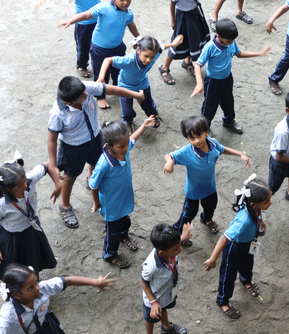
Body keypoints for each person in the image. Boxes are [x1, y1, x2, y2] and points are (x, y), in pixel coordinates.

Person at [47, 76, 145, 229]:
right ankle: (64, 205)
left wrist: (135, 95)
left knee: (96, 163)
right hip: (73, 147)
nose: (87, 95)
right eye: (82, 96)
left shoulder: (83, 88)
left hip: (95, 138)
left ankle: (91, 180)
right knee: (70, 176)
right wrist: (53, 165)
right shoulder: (58, 113)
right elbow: (52, 139)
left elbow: (112, 89)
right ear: (69, 102)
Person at [35, 0, 147, 78]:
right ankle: (81, 65)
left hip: (98, 19)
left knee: (96, 43)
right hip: (84, 23)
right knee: (83, 46)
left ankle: (98, 62)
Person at [163, 116, 252, 243]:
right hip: (193, 191)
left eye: (199, 136)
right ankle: (178, 233)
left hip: (210, 187)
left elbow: (223, 149)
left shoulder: (213, 143)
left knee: (211, 206)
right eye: (192, 138)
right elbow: (170, 156)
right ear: (187, 139)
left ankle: (207, 219)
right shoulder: (187, 152)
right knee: (188, 214)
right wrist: (169, 162)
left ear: (206, 132)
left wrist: (240, 154)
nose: (196, 141)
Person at [57, 0, 141, 109]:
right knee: (101, 73)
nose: (125, 2)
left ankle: (118, 88)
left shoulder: (128, 12)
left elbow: (131, 25)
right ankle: (100, 96)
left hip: (118, 47)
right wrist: (70, 21)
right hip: (100, 49)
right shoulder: (103, 8)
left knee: (118, 70)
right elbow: (86, 15)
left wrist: (139, 38)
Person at [203, 175, 272, 320]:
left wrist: (260, 222)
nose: (270, 203)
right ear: (253, 203)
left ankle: (246, 279)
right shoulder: (243, 220)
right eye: (266, 202)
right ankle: (223, 300)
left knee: (248, 263)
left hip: (248, 243)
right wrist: (213, 259)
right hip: (233, 247)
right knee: (228, 274)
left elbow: (258, 212)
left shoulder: (253, 206)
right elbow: (224, 238)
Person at [159, 0, 232, 85]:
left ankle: (187, 62)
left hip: (195, 13)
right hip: (183, 17)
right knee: (177, 42)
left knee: (193, 39)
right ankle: (164, 68)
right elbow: (172, 4)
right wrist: (173, 20)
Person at [90, 118, 155, 268]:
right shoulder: (103, 165)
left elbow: (132, 139)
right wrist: (96, 203)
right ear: (109, 145)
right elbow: (93, 185)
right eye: (122, 146)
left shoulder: (122, 149)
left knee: (125, 222)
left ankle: (124, 236)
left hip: (124, 198)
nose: (126, 147)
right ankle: (110, 255)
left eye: (126, 144)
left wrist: (144, 125)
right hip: (112, 206)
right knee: (112, 232)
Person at [191, 19, 271, 134]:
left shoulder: (231, 42)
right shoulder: (210, 47)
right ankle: (205, 127)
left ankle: (228, 121)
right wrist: (199, 83)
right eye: (229, 40)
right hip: (213, 82)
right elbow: (198, 64)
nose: (231, 42)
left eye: (233, 40)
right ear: (218, 35)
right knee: (209, 106)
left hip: (227, 79)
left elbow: (239, 53)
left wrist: (259, 53)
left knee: (228, 102)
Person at [0, 264, 116, 334]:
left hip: (47, 326)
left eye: (36, 282)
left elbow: (68, 281)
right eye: (30, 288)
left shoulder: (43, 288)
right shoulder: (7, 318)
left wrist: (96, 282)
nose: (37, 288)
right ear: (16, 295)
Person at [98, 36, 182, 127]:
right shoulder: (128, 60)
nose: (148, 60)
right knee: (127, 112)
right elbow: (108, 60)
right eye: (146, 56)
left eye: (152, 57)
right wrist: (101, 78)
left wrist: (173, 44)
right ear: (138, 50)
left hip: (142, 83)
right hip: (125, 85)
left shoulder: (155, 53)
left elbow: (162, 47)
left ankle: (153, 116)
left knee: (148, 105)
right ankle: (128, 122)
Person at [0, 153, 57, 278]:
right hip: (12, 238)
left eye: (25, 181)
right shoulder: (2, 204)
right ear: (8, 189)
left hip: (31, 229)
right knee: (16, 269)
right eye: (20, 186)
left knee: (33, 260)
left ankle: (34, 282)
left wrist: (59, 185)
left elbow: (47, 165)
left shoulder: (29, 179)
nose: (26, 186)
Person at [141, 223, 194, 334]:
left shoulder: (169, 249)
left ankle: (166, 327)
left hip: (166, 293)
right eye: (176, 249)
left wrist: (183, 237)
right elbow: (143, 282)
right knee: (150, 318)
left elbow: (175, 244)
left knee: (163, 308)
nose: (180, 249)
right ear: (162, 253)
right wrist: (153, 302)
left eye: (179, 245)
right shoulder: (151, 266)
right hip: (154, 298)